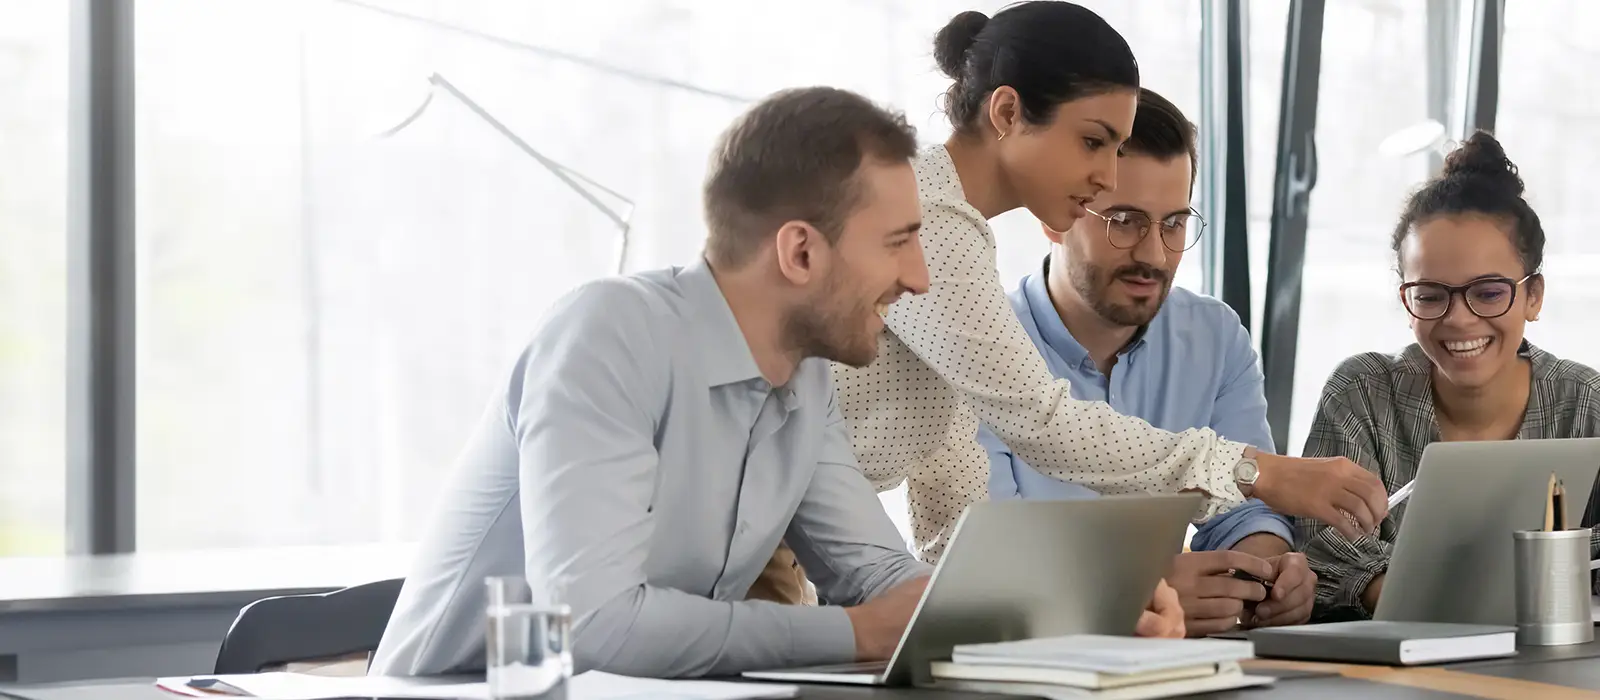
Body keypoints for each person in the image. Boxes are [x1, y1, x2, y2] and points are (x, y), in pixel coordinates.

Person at [370, 87, 943, 679]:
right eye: (898, 242)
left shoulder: (808, 377)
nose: (920, 278)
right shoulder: (608, 336)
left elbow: (880, 578)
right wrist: (853, 632)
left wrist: (999, 621)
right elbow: (593, 625)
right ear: (799, 252)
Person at [826, 1, 1387, 564]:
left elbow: (950, 487)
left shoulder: (956, 233)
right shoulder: (930, 220)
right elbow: (1041, 422)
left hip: (799, 542)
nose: (1108, 176)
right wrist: (1254, 471)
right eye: (1094, 142)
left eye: (1116, 149)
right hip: (757, 537)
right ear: (1006, 113)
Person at [977, 88, 1315, 635]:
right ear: (1056, 217)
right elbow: (985, 559)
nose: (1154, 255)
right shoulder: (982, 347)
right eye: (1125, 220)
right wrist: (1138, 589)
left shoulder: (1215, 337)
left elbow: (1243, 508)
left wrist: (1263, 574)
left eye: (1174, 223)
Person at [1298, 131, 1600, 616]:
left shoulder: (1585, 401)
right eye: (1431, 294)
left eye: (1487, 291)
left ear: (1534, 295)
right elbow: (1323, 547)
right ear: (1407, 300)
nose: (1459, 319)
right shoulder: (1361, 394)